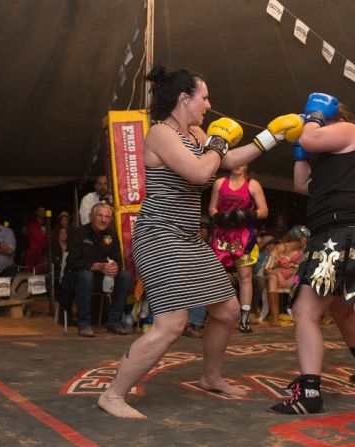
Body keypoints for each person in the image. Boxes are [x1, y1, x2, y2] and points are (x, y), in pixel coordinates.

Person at [96, 65, 303, 419]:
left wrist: (270, 136)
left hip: (188, 239)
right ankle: (113, 395)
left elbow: (226, 160)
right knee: (171, 324)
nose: (209, 104)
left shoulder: (196, 132)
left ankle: (210, 377)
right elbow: (200, 172)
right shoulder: (161, 134)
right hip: (159, 235)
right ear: (184, 98)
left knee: (227, 310)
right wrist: (219, 144)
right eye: (204, 97)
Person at [268, 92, 355, 415]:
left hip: (344, 231)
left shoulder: (351, 131)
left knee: (305, 310)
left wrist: (313, 119)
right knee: (343, 310)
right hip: (349, 232)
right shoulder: (334, 159)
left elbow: (311, 134)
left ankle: (309, 393)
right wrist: (300, 152)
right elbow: (302, 186)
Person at [209, 164, 268, 333]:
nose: (238, 165)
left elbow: (264, 210)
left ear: (246, 165)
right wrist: (217, 216)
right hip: (222, 236)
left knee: (245, 278)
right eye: (235, 162)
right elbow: (212, 207)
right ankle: (215, 316)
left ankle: (244, 319)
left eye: (241, 162)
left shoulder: (253, 184)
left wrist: (250, 214)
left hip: (243, 236)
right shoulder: (220, 183)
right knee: (218, 276)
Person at [63, 203, 132, 337]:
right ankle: (84, 324)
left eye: (107, 217)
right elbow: (72, 262)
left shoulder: (111, 234)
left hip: (102, 279)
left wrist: (115, 268)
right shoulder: (78, 233)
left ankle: (114, 322)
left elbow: (117, 259)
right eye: (99, 215)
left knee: (124, 276)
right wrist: (96, 266)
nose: (103, 220)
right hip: (75, 278)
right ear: (91, 216)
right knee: (86, 276)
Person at [263, 225, 308, 325]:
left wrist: (294, 272)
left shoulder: (303, 251)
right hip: (277, 280)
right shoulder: (279, 249)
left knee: (299, 279)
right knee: (272, 278)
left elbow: (305, 270)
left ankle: (298, 314)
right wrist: (278, 274)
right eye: (305, 237)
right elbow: (267, 268)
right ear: (299, 238)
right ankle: (274, 316)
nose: (307, 240)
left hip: (292, 280)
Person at [24, 207, 47, 274]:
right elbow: (40, 239)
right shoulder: (32, 225)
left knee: (41, 278)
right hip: (33, 255)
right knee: (31, 277)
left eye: (43, 211)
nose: (42, 213)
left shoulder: (47, 224)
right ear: (36, 212)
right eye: (40, 211)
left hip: (42, 255)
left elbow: (50, 238)